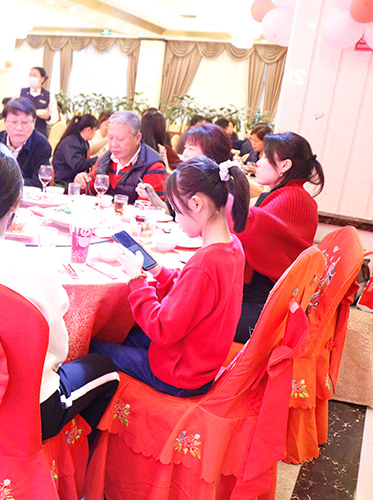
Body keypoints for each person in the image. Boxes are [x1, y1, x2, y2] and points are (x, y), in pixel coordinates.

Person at [0, 139, 119, 439]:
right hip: (25, 414)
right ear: (16, 203)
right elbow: (58, 353)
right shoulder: (37, 270)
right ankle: (73, 460)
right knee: (105, 368)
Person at [91, 156, 250, 396]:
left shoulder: (204, 264)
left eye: (176, 210)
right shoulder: (233, 246)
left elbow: (161, 329)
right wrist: (158, 271)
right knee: (123, 336)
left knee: (92, 348)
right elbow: (194, 300)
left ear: (196, 204)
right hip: (200, 362)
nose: (176, 218)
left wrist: (136, 279)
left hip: (179, 374)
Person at [232, 132, 324, 343]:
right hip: (264, 304)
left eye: (265, 157)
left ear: (284, 165)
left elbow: (246, 232)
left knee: (194, 315)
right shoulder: (287, 194)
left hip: (263, 312)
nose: (258, 162)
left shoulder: (293, 199)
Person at [75, 111, 167, 203]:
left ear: (137, 138)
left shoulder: (153, 166)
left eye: (120, 139)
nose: (114, 144)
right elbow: (90, 189)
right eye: (110, 138)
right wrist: (81, 183)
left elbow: (146, 207)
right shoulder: (105, 160)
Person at [0, 97, 52, 188]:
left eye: (25, 122)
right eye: (14, 122)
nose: (19, 128)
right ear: (5, 122)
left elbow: (40, 182)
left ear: (34, 122)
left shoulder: (41, 145)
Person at [52, 113, 98, 187]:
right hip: (64, 184)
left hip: (76, 182)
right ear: (89, 130)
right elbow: (77, 165)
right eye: (95, 130)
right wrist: (96, 160)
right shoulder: (71, 143)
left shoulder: (84, 143)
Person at [19, 67, 58, 137]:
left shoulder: (48, 95)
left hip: (40, 133)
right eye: (30, 75)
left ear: (42, 79)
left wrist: (48, 117)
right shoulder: (20, 92)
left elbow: (55, 117)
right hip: (22, 131)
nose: (31, 77)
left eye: (34, 75)